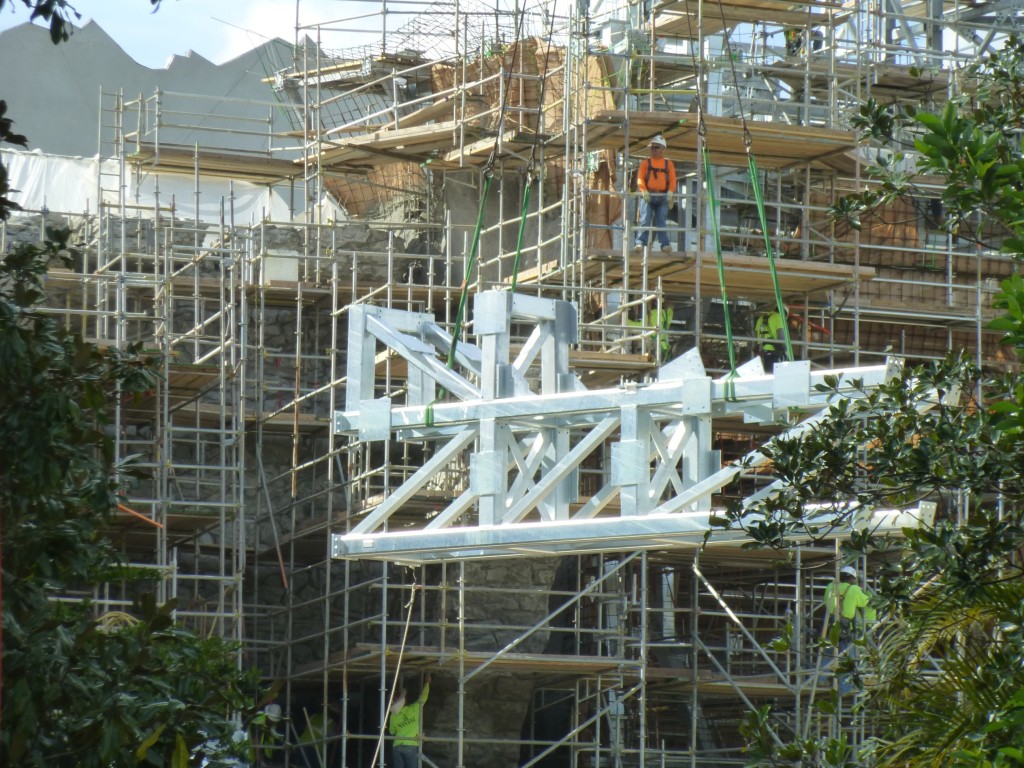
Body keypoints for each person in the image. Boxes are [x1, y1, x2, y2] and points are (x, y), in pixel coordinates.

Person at [823, 565, 876, 694]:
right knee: (847, 660)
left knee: (827, 654)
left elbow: (826, 602)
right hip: (847, 627)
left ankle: (819, 679)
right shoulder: (854, 589)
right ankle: (845, 689)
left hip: (831, 625)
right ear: (852, 578)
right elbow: (865, 602)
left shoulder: (830, 587)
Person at [634, 135, 677, 253]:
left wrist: (670, 191)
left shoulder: (668, 164)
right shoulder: (645, 163)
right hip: (648, 195)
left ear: (663, 149)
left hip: (662, 196)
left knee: (661, 221)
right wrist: (643, 190)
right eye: (652, 147)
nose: (653, 150)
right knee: (645, 220)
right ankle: (640, 243)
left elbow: (673, 179)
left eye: (656, 147)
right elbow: (640, 178)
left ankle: (664, 244)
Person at [389, 672, 431, 768]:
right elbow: (423, 697)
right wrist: (427, 683)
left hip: (397, 746)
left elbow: (392, 732)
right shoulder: (414, 709)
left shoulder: (393, 716)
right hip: (410, 744)